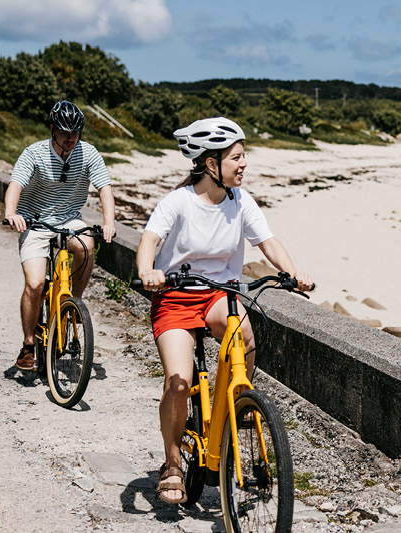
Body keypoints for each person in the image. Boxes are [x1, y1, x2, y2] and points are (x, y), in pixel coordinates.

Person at [135, 116, 313, 505]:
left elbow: (268, 242)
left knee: (245, 336)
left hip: (219, 296)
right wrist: (148, 272)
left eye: (243, 156)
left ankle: (237, 408)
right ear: (210, 163)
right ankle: (172, 464)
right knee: (179, 382)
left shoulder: (241, 201)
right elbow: (149, 239)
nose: (243, 164)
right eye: (236, 157)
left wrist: (292, 271)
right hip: (176, 297)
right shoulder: (178, 202)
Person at [3, 101, 117, 371]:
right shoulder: (34, 153)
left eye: (75, 132)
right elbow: (15, 184)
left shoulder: (88, 153)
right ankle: (29, 344)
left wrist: (108, 222)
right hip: (34, 220)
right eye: (65, 132)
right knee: (34, 284)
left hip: (68, 218)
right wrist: (11, 212)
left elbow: (105, 189)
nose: (70, 138)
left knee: (87, 244)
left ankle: (71, 304)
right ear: (53, 129)